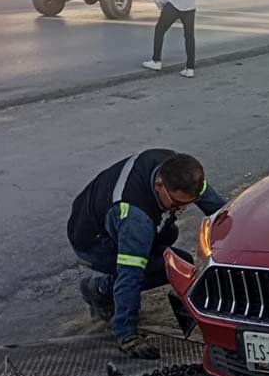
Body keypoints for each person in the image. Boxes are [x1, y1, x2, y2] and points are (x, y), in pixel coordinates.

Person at [69, 149, 226, 359]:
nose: (185, 208)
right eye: (179, 204)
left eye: (191, 201)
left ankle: (103, 286)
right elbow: (131, 275)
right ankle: (99, 289)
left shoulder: (182, 173)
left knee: (172, 239)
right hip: (93, 242)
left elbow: (221, 212)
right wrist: (128, 336)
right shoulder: (135, 219)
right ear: (159, 185)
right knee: (169, 266)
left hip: (109, 215)